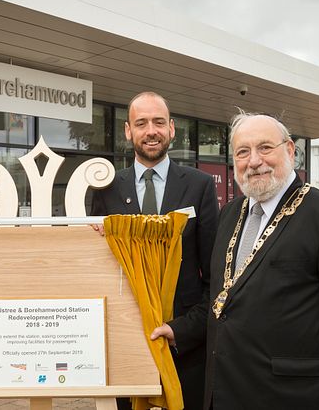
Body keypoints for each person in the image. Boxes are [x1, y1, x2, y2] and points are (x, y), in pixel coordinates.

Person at [199, 112, 319, 409]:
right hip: (225, 395)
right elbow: (224, 302)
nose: (254, 160)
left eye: (265, 147)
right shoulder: (230, 214)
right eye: (243, 152)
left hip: (292, 398)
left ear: (291, 150)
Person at [92, 91, 219, 410]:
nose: (151, 130)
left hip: (184, 345)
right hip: (125, 342)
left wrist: (185, 329)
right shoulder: (105, 189)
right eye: (142, 123)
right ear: (128, 130)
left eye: (159, 122)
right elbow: (98, 268)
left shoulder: (199, 185)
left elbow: (215, 274)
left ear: (172, 128)